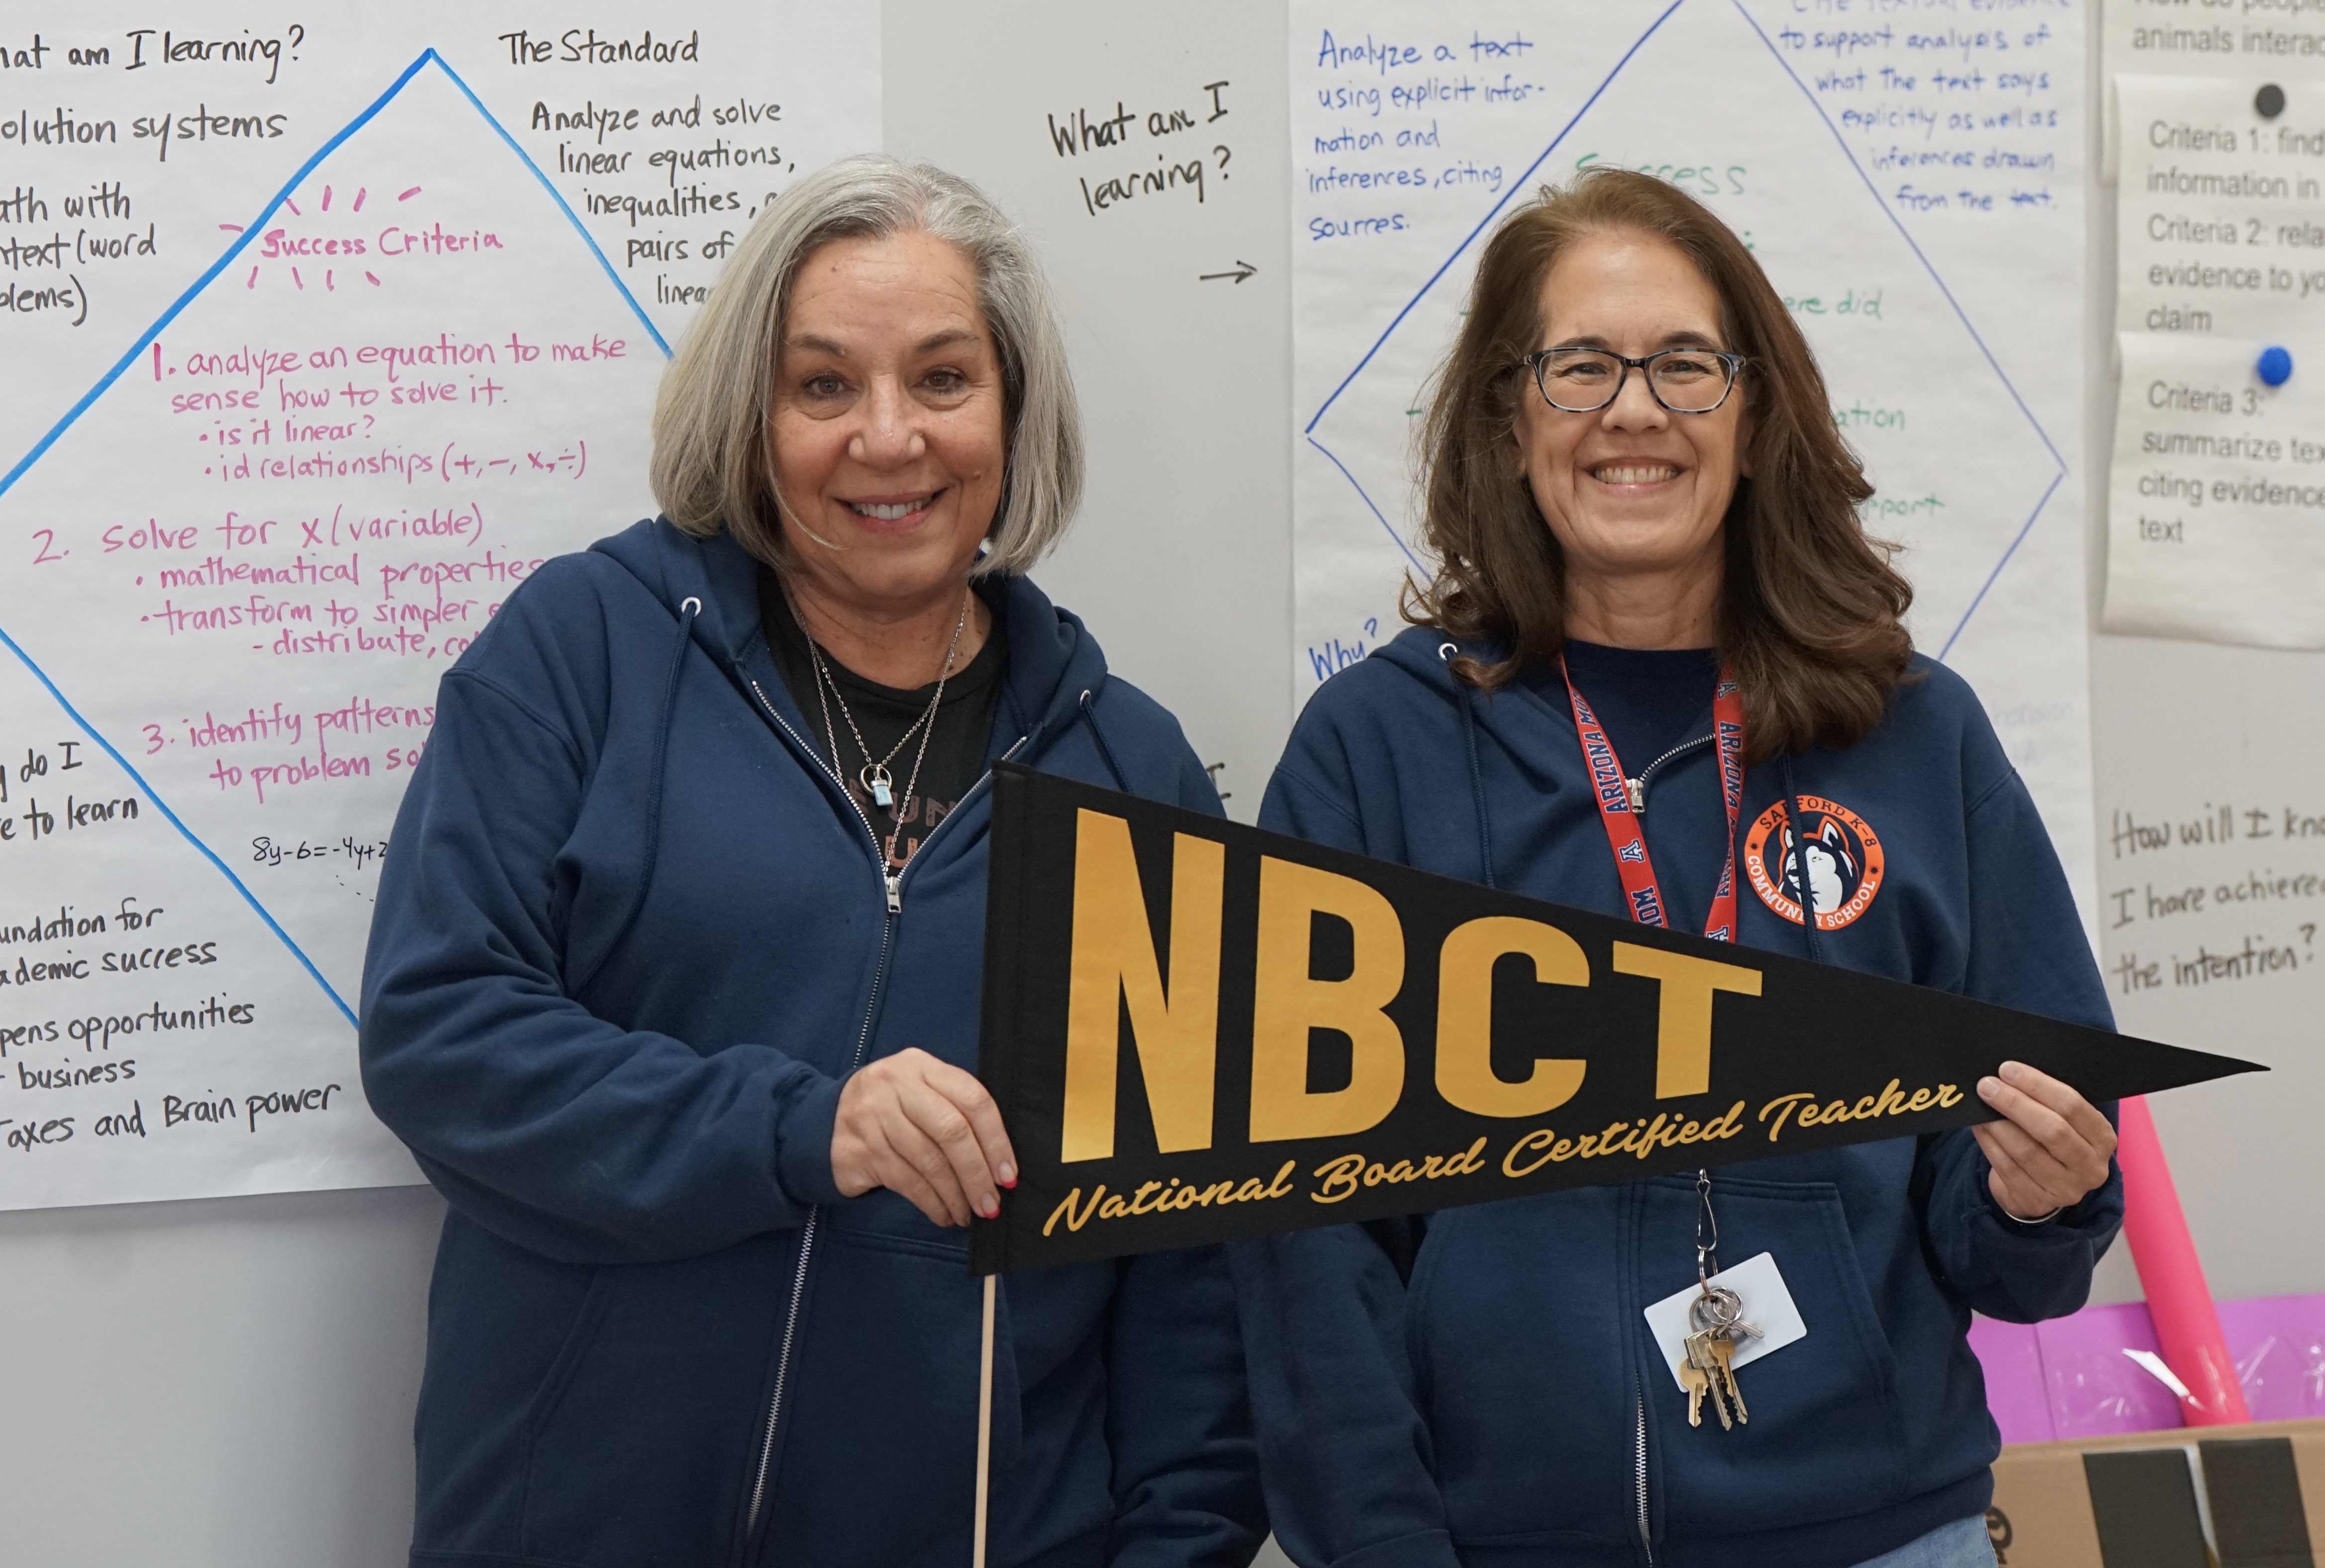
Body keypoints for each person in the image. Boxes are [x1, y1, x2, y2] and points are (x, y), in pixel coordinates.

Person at [361, 154, 1266, 1568]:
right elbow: (441, 1039)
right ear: (752, 416)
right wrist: (799, 1129)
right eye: (824, 386)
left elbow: (1187, 1271)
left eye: (944, 379)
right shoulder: (580, 652)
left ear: (1012, 411)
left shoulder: (1127, 773)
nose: (888, 439)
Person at [1233, 168, 2120, 1568]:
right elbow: (1298, 1235)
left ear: (1753, 418)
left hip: (1880, 1537)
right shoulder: (1372, 753)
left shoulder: (1914, 735)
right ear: (1505, 419)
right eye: (1579, 366)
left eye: (1683, 367)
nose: (1631, 411)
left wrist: (2036, 1196)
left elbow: (2013, 1238)